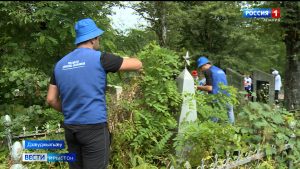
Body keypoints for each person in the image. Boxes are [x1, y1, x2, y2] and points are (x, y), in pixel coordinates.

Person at [46, 18, 143, 169]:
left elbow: (51, 99)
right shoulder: (101, 58)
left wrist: (71, 110)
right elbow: (137, 63)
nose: (99, 40)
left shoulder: (60, 64)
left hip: (71, 130)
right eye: (98, 37)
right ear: (93, 39)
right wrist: (120, 58)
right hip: (94, 130)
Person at [196, 56, 234, 124]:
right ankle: (232, 129)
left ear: (205, 64)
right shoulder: (219, 70)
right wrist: (203, 86)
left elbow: (209, 88)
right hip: (227, 95)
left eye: (201, 67)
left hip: (216, 97)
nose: (201, 70)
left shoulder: (207, 71)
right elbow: (215, 82)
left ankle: (211, 129)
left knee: (214, 115)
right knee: (230, 111)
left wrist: (196, 87)